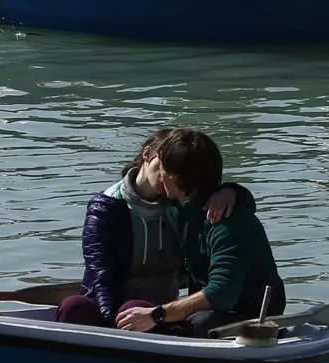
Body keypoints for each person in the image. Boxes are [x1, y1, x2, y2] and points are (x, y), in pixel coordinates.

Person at [56, 129, 244, 328]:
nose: (168, 177)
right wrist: (111, 325)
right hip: (109, 305)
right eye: (164, 167)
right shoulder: (106, 208)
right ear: (147, 155)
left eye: (175, 173)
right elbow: (101, 276)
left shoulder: (179, 202)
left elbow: (222, 200)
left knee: (136, 306)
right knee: (73, 306)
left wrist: (232, 191)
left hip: (160, 310)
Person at [113, 128, 286, 337]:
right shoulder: (177, 205)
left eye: (162, 168)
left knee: (199, 322)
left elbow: (221, 294)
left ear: (174, 177)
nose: (158, 175)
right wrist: (233, 190)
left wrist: (156, 314)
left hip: (254, 314)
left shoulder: (227, 221)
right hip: (211, 306)